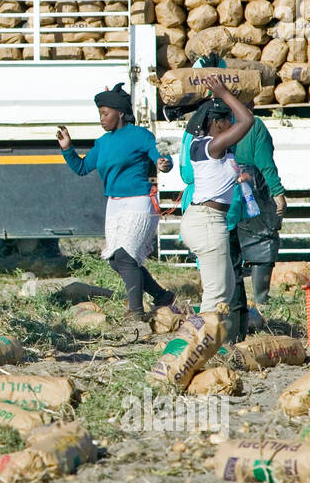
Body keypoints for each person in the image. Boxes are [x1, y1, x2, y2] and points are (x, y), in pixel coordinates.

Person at [57, 84, 174, 320]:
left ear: (120, 112)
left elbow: (160, 158)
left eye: (105, 112)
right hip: (115, 204)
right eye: (100, 113)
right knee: (115, 260)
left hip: (140, 201)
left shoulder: (140, 135)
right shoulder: (102, 143)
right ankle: (161, 296)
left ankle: (136, 311)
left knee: (125, 257)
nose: (101, 118)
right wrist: (67, 148)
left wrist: (164, 163)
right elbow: (81, 168)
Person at [177, 78, 253, 336]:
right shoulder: (210, 145)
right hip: (207, 222)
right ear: (218, 123)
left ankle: (216, 343)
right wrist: (224, 93)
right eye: (227, 121)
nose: (231, 125)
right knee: (215, 294)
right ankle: (193, 347)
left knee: (227, 290)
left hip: (207, 220)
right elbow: (247, 121)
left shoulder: (213, 148)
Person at [232, 104, 286, 307]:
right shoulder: (254, 126)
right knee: (263, 238)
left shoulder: (214, 125)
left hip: (221, 189)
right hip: (252, 187)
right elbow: (265, 162)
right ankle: (261, 297)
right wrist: (277, 191)